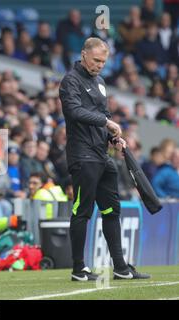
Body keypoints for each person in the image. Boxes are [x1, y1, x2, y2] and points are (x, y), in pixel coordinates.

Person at [59, 37, 150, 281]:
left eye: (103, 62)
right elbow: (74, 111)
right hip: (82, 155)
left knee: (112, 210)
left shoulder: (99, 82)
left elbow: (104, 114)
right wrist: (105, 122)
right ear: (84, 54)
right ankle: (79, 269)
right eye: (96, 60)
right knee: (82, 212)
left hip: (102, 155)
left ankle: (120, 267)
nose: (99, 65)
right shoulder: (70, 80)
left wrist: (113, 138)